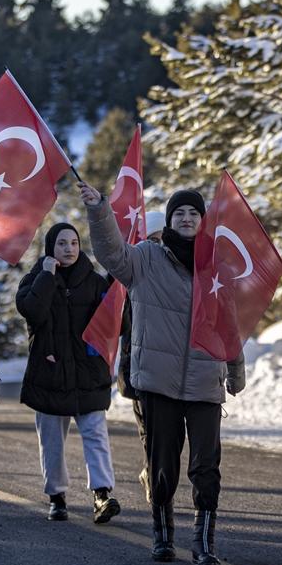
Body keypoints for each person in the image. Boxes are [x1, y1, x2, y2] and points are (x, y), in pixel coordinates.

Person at [81, 183, 245, 565]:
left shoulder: (215, 266)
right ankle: (163, 532)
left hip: (206, 380)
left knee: (206, 466)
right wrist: (100, 211)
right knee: (162, 463)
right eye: (179, 214)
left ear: (202, 221)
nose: (186, 219)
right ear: (170, 220)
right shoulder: (146, 258)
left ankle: (204, 544)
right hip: (159, 381)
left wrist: (236, 369)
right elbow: (110, 253)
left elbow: (229, 323)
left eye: (193, 213)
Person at [17, 222, 120, 524]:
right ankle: (56, 496)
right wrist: (47, 275)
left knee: (96, 434)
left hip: (88, 373)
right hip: (49, 373)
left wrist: (117, 293)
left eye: (74, 243)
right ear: (51, 248)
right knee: (51, 439)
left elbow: (117, 326)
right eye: (62, 243)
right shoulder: (35, 279)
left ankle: (101, 494)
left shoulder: (95, 281)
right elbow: (32, 311)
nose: (69, 249)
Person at [119, 210, 164, 504]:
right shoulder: (130, 277)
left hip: (170, 367)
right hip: (138, 366)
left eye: (163, 239)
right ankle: (154, 474)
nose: (158, 246)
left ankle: (157, 472)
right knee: (149, 429)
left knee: (168, 433)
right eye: (152, 239)